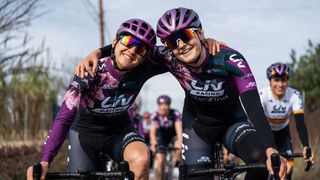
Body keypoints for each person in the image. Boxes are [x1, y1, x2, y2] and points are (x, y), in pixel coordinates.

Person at [74, 7, 288, 179]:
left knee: (260, 161)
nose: (181, 45)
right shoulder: (169, 57)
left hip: (234, 123)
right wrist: (97, 52)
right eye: (171, 41)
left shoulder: (230, 59)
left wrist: (271, 148)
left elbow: (253, 105)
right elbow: (130, 45)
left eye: (185, 36)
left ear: (200, 33)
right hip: (198, 128)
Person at [27, 18, 166, 180]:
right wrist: (45, 161)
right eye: (128, 40)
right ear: (115, 43)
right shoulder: (90, 71)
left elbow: (179, 50)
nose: (133, 50)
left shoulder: (146, 66)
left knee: (141, 160)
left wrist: (203, 41)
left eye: (141, 48)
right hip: (85, 134)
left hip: (119, 131)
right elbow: (64, 118)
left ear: (145, 55)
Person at [259, 62, 315, 179]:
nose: (280, 84)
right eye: (276, 80)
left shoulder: (294, 95)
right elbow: (259, 122)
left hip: (283, 135)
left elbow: (300, 123)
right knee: (265, 170)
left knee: (287, 171)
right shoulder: (263, 95)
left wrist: (305, 146)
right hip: (267, 134)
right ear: (270, 81)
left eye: (283, 80)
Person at [149, 95, 182, 180]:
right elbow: (153, 132)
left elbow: (179, 130)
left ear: (169, 105)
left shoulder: (175, 113)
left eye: (166, 104)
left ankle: (176, 169)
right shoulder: (155, 115)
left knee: (179, 149)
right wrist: (153, 141)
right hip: (161, 139)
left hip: (172, 137)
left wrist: (179, 140)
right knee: (160, 160)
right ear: (158, 105)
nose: (163, 107)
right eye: (161, 105)